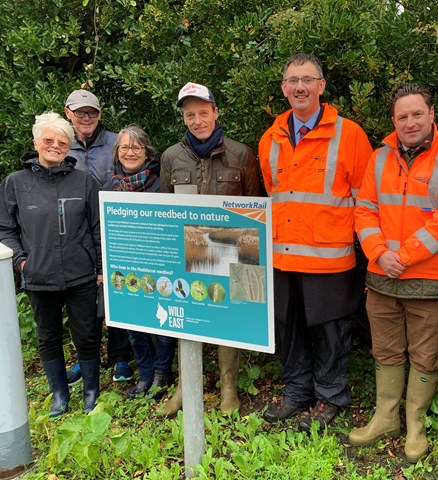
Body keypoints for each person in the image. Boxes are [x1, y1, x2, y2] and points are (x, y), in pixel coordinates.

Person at [349, 83, 438, 462]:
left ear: (432, 114)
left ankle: (414, 422)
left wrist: (402, 254)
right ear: (393, 120)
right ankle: (386, 417)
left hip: (431, 279)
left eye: (417, 113)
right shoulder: (379, 157)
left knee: (424, 354)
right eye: (402, 116)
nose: (410, 121)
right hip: (382, 275)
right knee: (385, 350)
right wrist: (378, 252)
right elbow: (364, 209)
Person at [258, 53, 372, 431]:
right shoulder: (269, 138)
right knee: (288, 329)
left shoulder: (349, 134)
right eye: (293, 80)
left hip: (329, 258)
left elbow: (365, 199)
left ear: (322, 87)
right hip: (282, 256)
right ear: (284, 89)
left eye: (308, 79)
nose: (300, 87)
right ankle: (296, 392)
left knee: (330, 334)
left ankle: (329, 396)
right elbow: (275, 195)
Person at [159, 82, 263, 415]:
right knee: (184, 317)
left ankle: (228, 389)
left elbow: (255, 208)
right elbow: (165, 210)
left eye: (203, 112)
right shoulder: (171, 157)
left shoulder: (241, 154)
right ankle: (184, 388)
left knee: (228, 319)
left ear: (216, 113)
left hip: (231, 250)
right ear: (184, 119)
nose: (197, 120)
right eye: (190, 114)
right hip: (185, 251)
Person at [0, 112, 102, 416]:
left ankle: (91, 391)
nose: (55, 146)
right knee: (48, 335)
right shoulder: (15, 183)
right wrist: (21, 261)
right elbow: (5, 228)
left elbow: (97, 227)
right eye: (49, 140)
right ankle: (59, 393)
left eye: (62, 142)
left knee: (86, 333)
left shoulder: (83, 181)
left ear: (69, 147)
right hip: (38, 274)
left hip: (80, 273)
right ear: (36, 142)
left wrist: (98, 268)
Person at [64, 89, 134, 384]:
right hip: (76, 235)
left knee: (116, 291)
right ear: (68, 113)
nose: (86, 117)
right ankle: (86, 357)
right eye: (80, 112)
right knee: (82, 299)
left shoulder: (116, 142)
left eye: (91, 112)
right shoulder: (60, 144)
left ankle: (120, 358)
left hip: (115, 230)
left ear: (100, 115)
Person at [104, 125, 177, 399]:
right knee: (133, 323)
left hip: (159, 264)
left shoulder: (161, 183)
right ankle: (145, 374)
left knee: (163, 320)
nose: (130, 152)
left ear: (147, 152)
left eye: (137, 147)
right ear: (117, 152)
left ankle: (161, 374)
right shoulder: (109, 185)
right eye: (125, 147)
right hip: (126, 266)